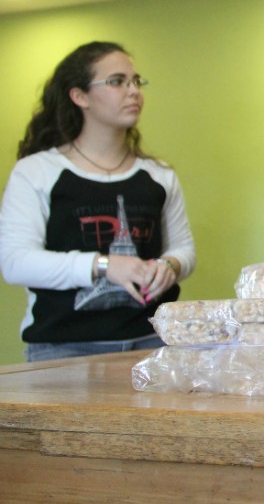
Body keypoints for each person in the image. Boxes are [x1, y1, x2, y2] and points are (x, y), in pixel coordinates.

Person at [0, 42, 196, 362]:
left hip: (152, 342)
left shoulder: (159, 174)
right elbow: (15, 262)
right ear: (79, 97)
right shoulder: (37, 172)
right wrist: (104, 266)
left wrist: (169, 266)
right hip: (64, 350)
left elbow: (183, 250)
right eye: (117, 81)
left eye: (136, 81)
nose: (133, 91)